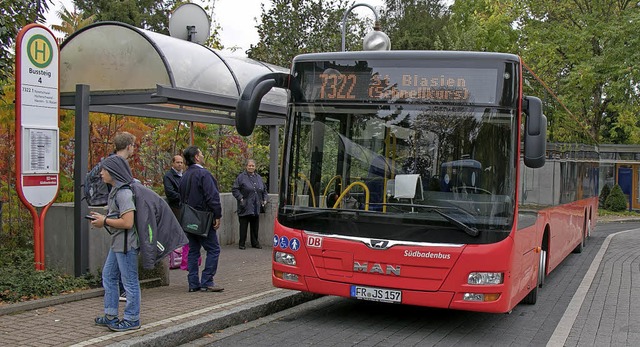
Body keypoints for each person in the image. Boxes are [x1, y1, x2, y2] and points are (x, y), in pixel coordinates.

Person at [89, 155, 141, 332]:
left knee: (130, 281)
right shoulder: (115, 191)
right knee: (109, 276)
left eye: (104, 170)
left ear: (113, 172)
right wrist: (104, 219)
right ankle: (110, 315)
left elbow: (127, 222)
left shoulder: (124, 193)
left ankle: (132, 318)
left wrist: (104, 221)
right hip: (118, 243)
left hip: (126, 244)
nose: (101, 173)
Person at [179, 146, 224, 293]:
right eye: (201, 153)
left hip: (188, 218)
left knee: (193, 251)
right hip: (203, 218)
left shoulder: (184, 176)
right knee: (213, 249)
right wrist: (217, 215)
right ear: (197, 157)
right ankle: (207, 280)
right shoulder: (204, 175)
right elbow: (212, 197)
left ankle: (193, 283)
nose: (203, 155)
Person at [231, 159, 268, 250]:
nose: (251, 167)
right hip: (245, 205)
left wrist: (265, 199)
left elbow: (264, 190)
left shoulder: (259, 177)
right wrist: (241, 198)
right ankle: (242, 243)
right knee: (243, 225)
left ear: (255, 167)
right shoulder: (241, 177)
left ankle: (255, 243)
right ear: (246, 166)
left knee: (255, 226)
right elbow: (235, 189)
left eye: (252, 166)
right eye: (249, 165)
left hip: (256, 205)